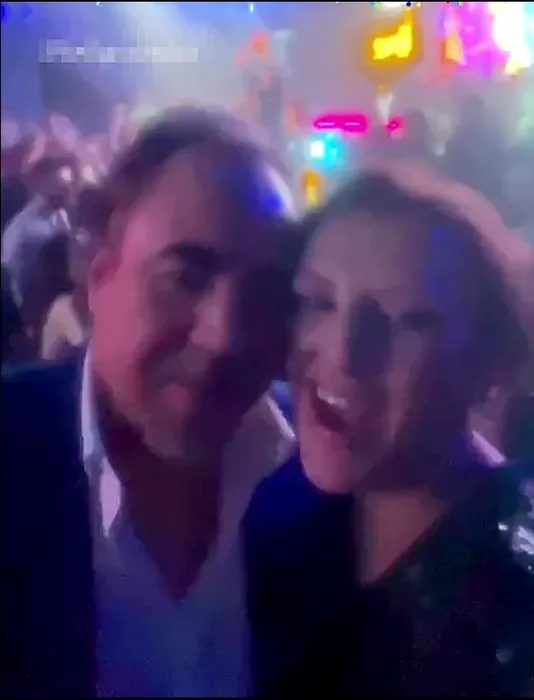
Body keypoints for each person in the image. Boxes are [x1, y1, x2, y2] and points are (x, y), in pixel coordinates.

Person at [1, 108, 299, 698]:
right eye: (186, 278)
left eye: (266, 294)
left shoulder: (316, 475)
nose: (226, 336)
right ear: (100, 274)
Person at [247, 165, 534, 697]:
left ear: (488, 362)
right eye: (318, 302)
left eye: (405, 319)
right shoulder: (272, 513)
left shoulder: (516, 601)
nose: (343, 354)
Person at [1, 155, 75, 333]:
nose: (65, 189)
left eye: (66, 184)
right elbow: (12, 277)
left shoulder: (64, 216)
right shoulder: (20, 230)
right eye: (58, 183)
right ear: (40, 184)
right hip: (37, 315)